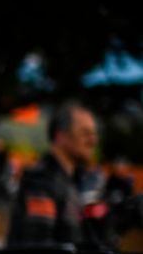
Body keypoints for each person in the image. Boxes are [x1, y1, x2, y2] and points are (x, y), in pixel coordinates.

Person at [8, 101, 98, 245]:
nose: (93, 141)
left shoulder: (74, 181)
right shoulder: (41, 180)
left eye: (94, 134)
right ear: (61, 136)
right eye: (85, 133)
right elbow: (40, 246)